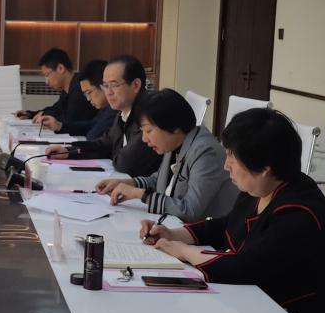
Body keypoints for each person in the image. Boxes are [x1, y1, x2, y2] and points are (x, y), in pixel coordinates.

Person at [139, 109, 325, 313]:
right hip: (259, 306)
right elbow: (226, 225)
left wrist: (185, 252)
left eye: (233, 156)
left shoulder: (299, 213)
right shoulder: (261, 188)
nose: (226, 165)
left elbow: (245, 267)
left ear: (264, 168)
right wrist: (175, 234)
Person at [95, 89, 238, 222]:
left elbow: (190, 210)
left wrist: (141, 194)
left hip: (207, 235)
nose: (144, 139)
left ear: (173, 127)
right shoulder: (175, 142)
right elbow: (159, 180)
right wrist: (129, 184)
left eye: (148, 131)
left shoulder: (205, 152)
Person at [45, 55, 161, 176]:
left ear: (136, 85)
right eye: (105, 86)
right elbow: (104, 144)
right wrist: (68, 151)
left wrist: (111, 152)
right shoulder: (123, 112)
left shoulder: (148, 115)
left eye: (114, 85)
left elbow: (126, 163)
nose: (108, 93)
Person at [16, 48, 97, 132]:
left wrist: (43, 115)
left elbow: (68, 119)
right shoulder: (68, 88)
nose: (46, 82)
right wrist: (31, 114)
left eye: (47, 75)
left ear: (60, 68)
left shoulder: (80, 87)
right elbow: (56, 109)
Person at [74, 59, 118, 141]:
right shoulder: (106, 108)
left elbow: (93, 136)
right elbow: (90, 126)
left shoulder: (115, 109)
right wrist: (60, 126)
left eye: (89, 92)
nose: (88, 99)